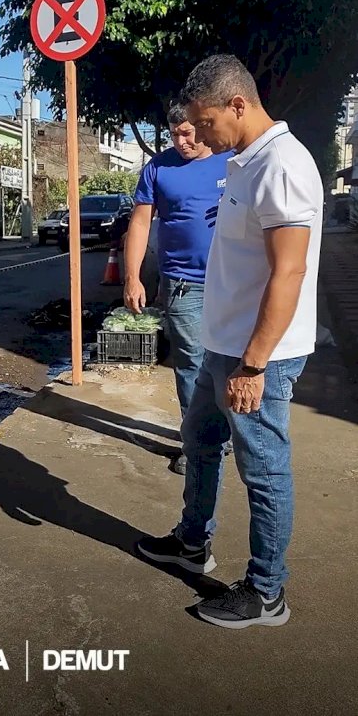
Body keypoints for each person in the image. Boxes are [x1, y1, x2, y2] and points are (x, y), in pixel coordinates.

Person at [137, 55, 323, 629]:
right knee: (200, 440)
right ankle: (193, 541)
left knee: (263, 469)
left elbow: (288, 273)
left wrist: (254, 363)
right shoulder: (245, 160)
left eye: (208, 122)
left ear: (237, 105)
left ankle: (266, 591)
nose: (202, 134)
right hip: (224, 344)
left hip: (257, 354)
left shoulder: (283, 166)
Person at [124, 103, 233, 475]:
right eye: (175, 135)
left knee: (228, 359)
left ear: (202, 126)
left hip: (232, 281)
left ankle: (227, 433)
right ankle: (198, 443)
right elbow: (139, 225)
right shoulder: (158, 168)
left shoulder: (231, 160)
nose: (182, 141)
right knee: (191, 364)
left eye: (188, 133)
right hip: (182, 282)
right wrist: (133, 277)